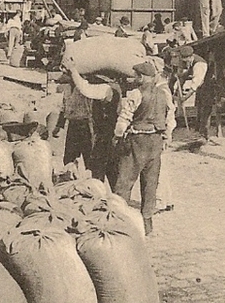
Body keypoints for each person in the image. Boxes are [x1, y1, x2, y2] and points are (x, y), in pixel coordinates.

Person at [113, 61, 174, 235]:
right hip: (156, 141)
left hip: (137, 140)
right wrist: (167, 135)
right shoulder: (164, 94)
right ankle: (147, 222)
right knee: (150, 183)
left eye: (136, 76)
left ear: (141, 77)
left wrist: (117, 135)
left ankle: (121, 220)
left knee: (125, 180)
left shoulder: (136, 94)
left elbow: (124, 118)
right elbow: (171, 117)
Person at [60, 67, 124, 182]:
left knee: (100, 167)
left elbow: (86, 89)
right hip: (104, 132)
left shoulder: (106, 89)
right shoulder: (114, 87)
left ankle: (102, 194)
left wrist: (74, 70)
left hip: (102, 133)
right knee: (108, 168)